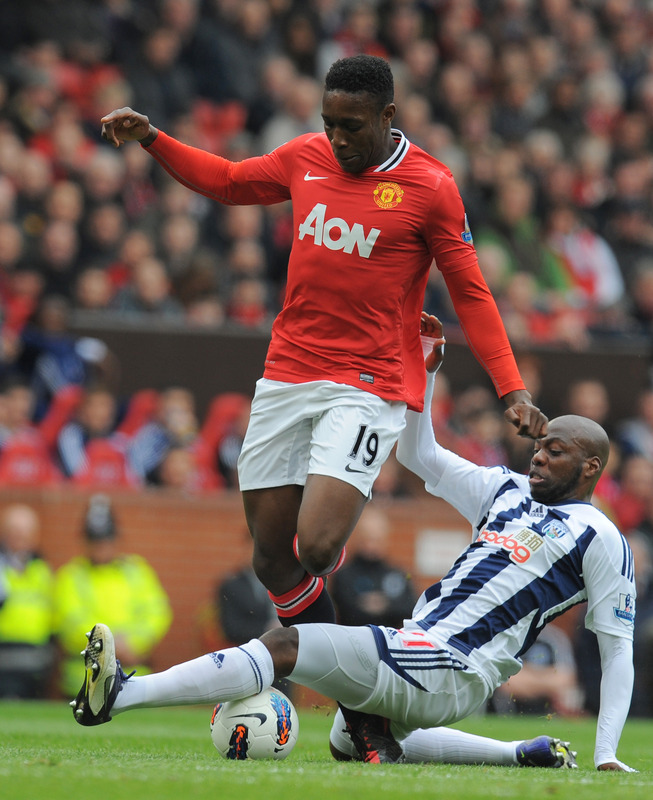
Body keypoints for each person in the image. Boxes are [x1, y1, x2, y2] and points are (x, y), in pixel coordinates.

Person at [100, 55, 546, 630]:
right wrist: (154, 139)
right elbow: (232, 182)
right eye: (328, 122)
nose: (336, 138)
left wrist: (511, 389)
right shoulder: (306, 154)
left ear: (387, 114)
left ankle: (361, 683)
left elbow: (472, 294)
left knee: (314, 547)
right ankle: (358, 704)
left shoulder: (431, 187)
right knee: (270, 559)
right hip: (288, 370)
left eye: (351, 126)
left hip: (366, 382)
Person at [71, 317, 635, 771]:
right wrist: (424, 373)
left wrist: (607, 752)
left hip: (453, 663)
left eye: (556, 451)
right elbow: (419, 457)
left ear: (589, 467)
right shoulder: (504, 489)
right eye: (541, 446)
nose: (538, 455)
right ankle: (519, 754)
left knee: (286, 645)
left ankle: (119, 695)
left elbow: (617, 649)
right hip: (420, 648)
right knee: (348, 737)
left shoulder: (602, 536)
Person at [53, 494, 172, 697]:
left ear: (117, 539)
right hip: (84, 679)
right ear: (84, 540)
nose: (101, 546)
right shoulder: (70, 576)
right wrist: (111, 646)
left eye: (106, 539)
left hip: (133, 676)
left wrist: (133, 642)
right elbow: (70, 621)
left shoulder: (138, 571)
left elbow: (157, 614)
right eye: (94, 539)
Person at [329, 503, 417, 628]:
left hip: (388, 642)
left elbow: (410, 608)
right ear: (358, 537)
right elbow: (346, 610)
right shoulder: (344, 574)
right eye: (368, 538)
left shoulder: (400, 574)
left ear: (386, 539)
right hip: (353, 641)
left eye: (377, 539)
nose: (372, 545)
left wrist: (385, 605)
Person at [0, 503, 54, 698]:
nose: (20, 536)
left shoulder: (41, 571)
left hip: (36, 663)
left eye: (25, 531)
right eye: (15, 530)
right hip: (4, 660)